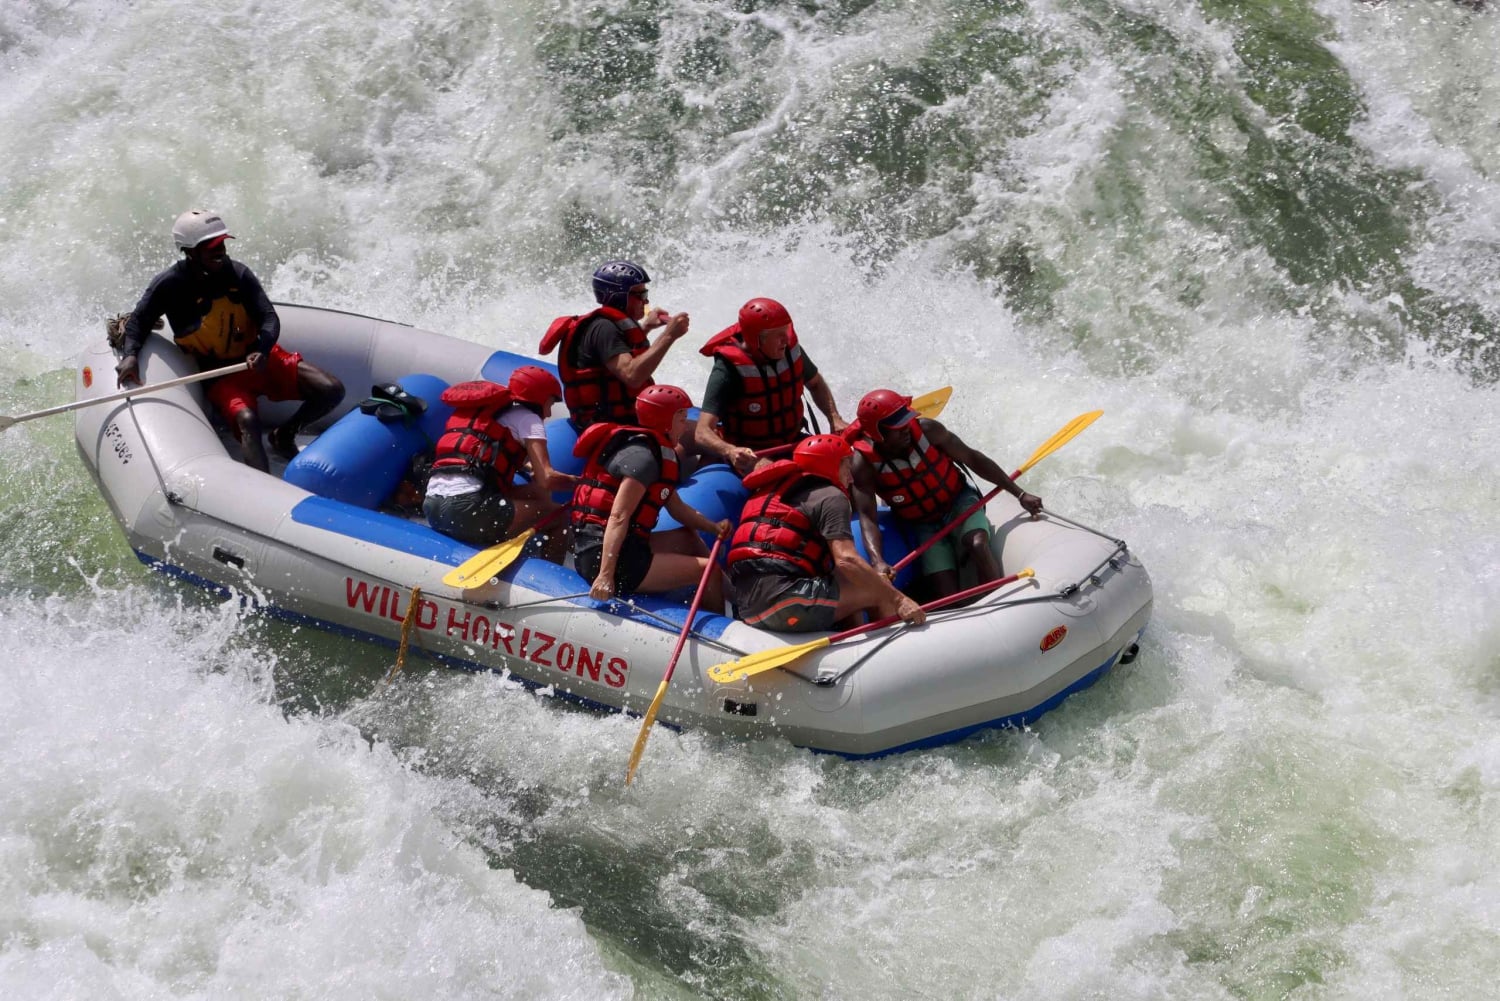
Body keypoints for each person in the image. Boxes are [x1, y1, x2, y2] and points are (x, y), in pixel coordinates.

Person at [115, 210, 344, 471]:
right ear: (190, 252)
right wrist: (131, 355)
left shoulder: (238, 273)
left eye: (222, 243)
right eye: (212, 247)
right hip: (220, 375)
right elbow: (138, 323)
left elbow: (269, 317)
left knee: (331, 390)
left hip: (257, 358)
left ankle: (284, 435)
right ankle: (264, 487)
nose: (221, 251)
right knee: (247, 420)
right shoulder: (169, 285)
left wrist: (263, 349)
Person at [850, 389, 1042, 600]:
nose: (906, 429)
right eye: (897, 428)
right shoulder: (863, 464)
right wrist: (877, 561)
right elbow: (868, 516)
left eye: (906, 422)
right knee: (945, 592)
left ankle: (1000, 598)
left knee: (976, 543)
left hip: (959, 501)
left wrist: (1020, 494)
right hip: (922, 524)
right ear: (878, 434)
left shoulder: (928, 430)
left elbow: (973, 458)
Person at [727, 434, 925, 633]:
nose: (851, 475)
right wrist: (899, 599)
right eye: (847, 466)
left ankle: (852, 642)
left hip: (747, 608)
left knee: (851, 580)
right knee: (878, 588)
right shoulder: (831, 496)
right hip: (786, 604)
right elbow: (846, 559)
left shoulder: (770, 491)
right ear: (830, 464)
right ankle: (886, 654)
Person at [570, 384, 731, 612]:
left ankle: (734, 598)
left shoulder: (651, 450)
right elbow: (618, 516)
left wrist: (713, 528)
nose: (685, 426)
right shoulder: (644, 459)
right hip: (606, 557)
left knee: (687, 538)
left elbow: (678, 509)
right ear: (665, 421)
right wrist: (606, 575)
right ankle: (719, 630)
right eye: (681, 418)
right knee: (708, 570)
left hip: (621, 545)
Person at [424, 366, 577, 558]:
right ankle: (552, 576)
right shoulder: (529, 420)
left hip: (432, 506)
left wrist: (526, 467)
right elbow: (547, 478)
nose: (548, 413)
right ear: (540, 397)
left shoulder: (486, 411)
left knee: (537, 493)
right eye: (550, 404)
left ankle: (540, 545)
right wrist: (583, 483)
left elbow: (479, 456)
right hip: (466, 511)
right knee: (558, 514)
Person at [693, 297, 847, 475]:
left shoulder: (790, 350)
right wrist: (730, 451)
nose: (786, 339)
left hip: (793, 441)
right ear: (756, 339)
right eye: (778, 335)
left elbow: (816, 384)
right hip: (752, 453)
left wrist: (834, 417)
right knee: (775, 473)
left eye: (786, 331)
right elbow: (702, 432)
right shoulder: (728, 369)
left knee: (845, 460)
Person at [538, 260, 691, 432]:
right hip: (609, 426)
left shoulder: (609, 326)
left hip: (624, 419)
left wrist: (646, 327)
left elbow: (621, 354)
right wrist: (669, 336)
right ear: (618, 296)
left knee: (690, 430)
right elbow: (632, 375)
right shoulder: (604, 328)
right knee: (692, 435)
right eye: (640, 295)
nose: (646, 300)